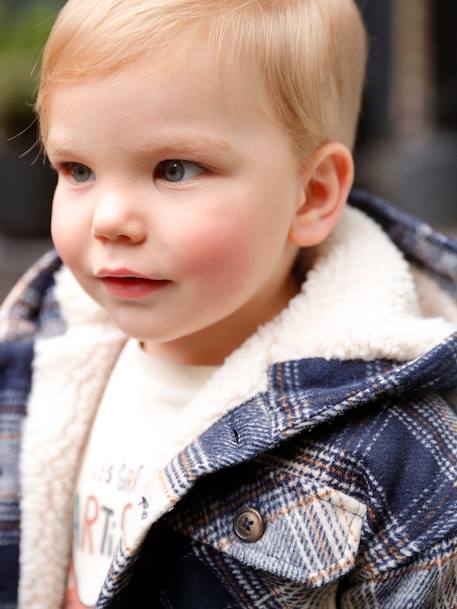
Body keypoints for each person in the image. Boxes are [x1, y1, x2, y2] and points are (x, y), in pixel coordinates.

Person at [1, 0, 457, 607]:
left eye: (174, 169)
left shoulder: (400, 452)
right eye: (77, 169)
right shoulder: (38, 355)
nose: (109, 221)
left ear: (311, 195)